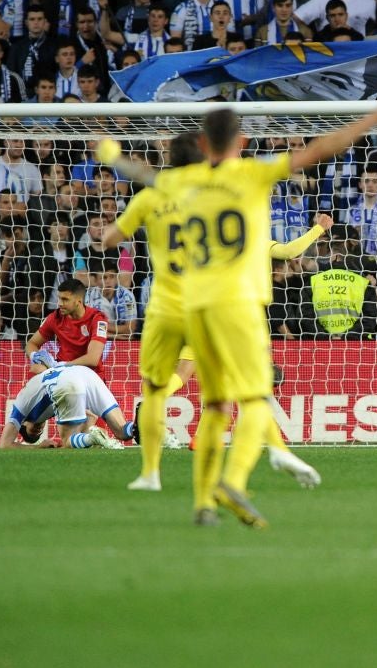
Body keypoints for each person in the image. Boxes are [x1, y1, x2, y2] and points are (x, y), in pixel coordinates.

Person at [100, 97, 377, 527]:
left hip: (193, 305)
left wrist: (112, 156)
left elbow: (144, 180)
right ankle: (235, 480)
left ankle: (200, 502)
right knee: (256, 398)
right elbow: (320, 150)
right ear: (241, 141)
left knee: (214, 403)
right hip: (237, 303)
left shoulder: (180, 185)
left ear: (202, 143)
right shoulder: (251, 174)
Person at [101, 131, 320, 493]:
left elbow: (111, 236)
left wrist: (112, 158)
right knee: (239, 388)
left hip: (168, 307)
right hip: (217, 304)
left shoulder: (156, 194)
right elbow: (287, 250)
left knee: (168, 382)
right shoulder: (218, 200)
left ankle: (151, 473)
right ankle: (268, 453)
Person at [0, 364, 133, 450]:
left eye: (33, 431)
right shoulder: (48, 407)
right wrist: (83, 438)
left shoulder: (20, 407)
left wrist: (38, 447)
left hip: (67, 381)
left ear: (24, 423)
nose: (38, 429)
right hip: (86, 374)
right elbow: (91, 416)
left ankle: (93, 438)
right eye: (38, 433)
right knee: (122, 431)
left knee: (67, 441)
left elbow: (4, 445)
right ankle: (140, 423)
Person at [24, 278, 109, 378]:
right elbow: (31, 343)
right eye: (59, 298)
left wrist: (62, 366)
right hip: (63, 372)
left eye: (65, 299)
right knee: (35, 369)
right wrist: (35, 355)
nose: (59, 303)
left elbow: (93, 359)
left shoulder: (98, 319)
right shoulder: (55, 318)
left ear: (79, 301)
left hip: (90, 375)